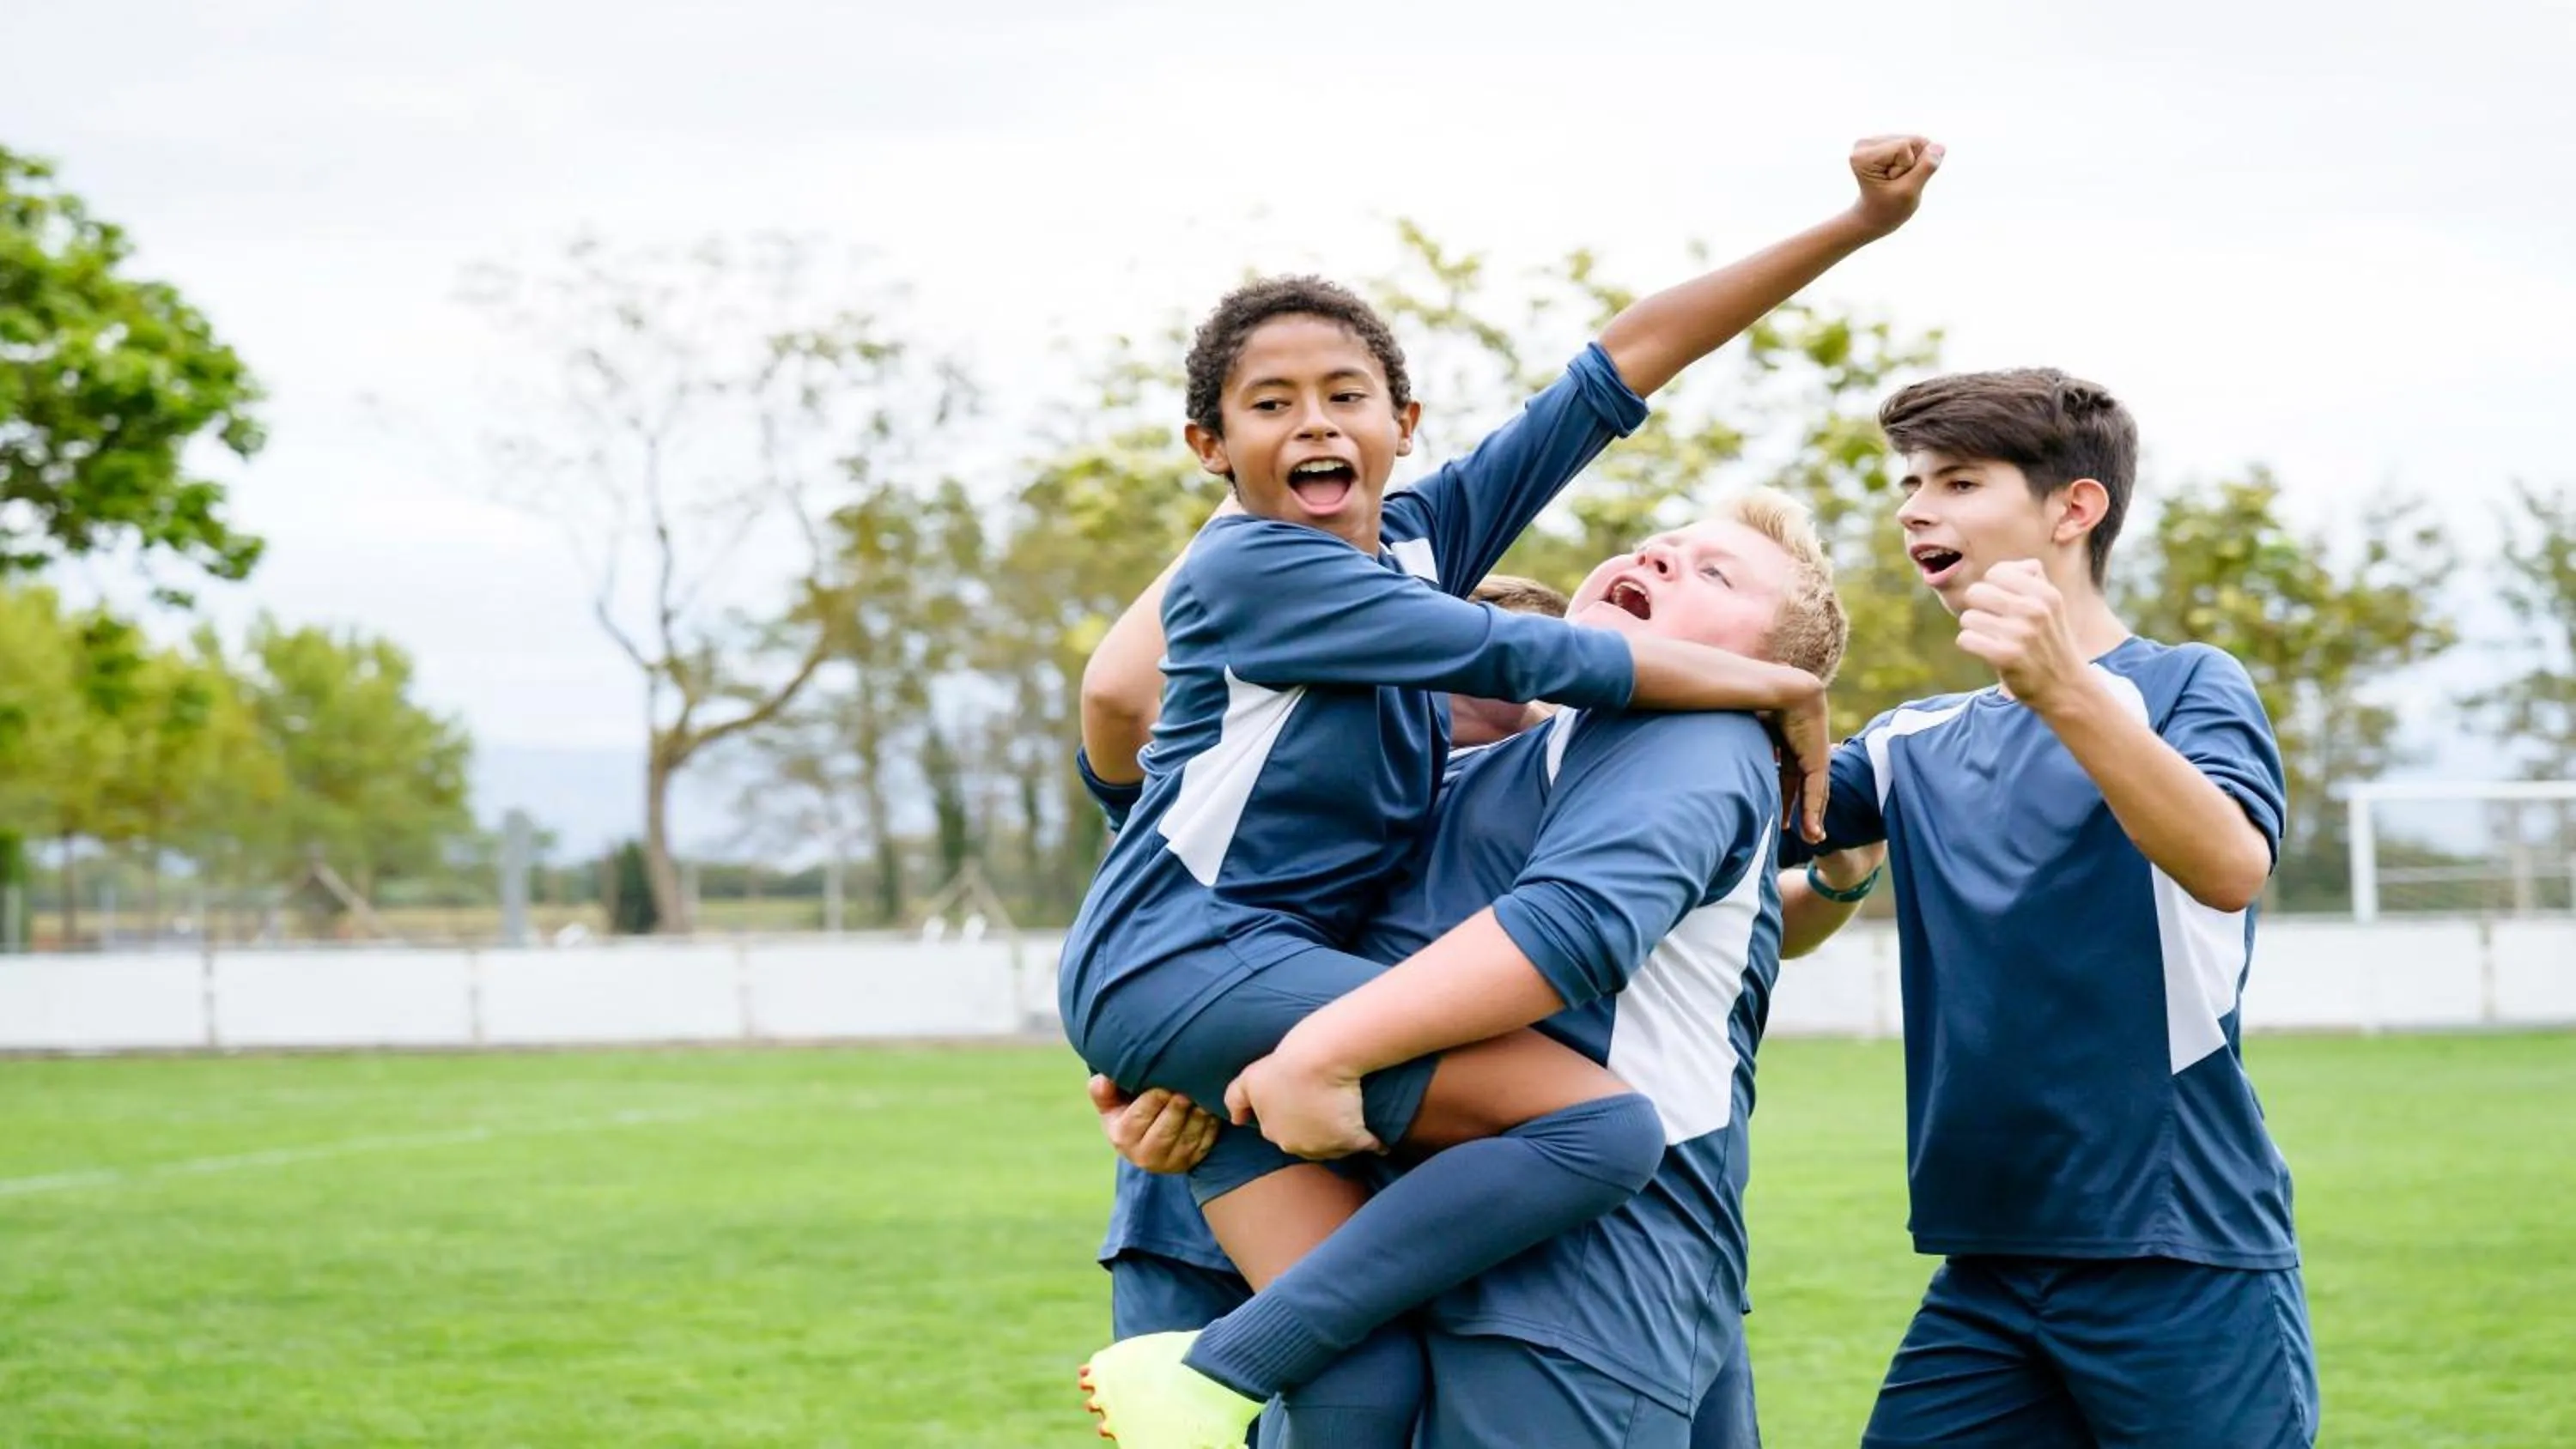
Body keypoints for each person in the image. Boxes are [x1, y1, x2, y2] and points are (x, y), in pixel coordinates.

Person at [1064, 136, 1941, 1449]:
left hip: (1223, 994)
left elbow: (1621, 366)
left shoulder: (1419, 541)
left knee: (1361, 1387)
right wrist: (1765, 685)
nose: (1314, 422)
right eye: (1270, 403)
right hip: (1192, 964)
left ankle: (1213, 1372)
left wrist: (1854, 228)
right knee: (1596, 1136)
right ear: (1209, 445)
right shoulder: (1258, 569)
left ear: (1401, 425)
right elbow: (1521, 652)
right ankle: (1199, 1373)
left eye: (1347, 393)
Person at [1088, 497, 1883, 1447]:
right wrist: (1190, 1069)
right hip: (1442, 1265)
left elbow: (1575, 926)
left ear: (1769, 667)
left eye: (1715, 574)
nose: (1662, 558)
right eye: (1653, 547)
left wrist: (1311, 1053)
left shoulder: (1698, 737)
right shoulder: (1477, 773)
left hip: (1591, 1284)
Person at [1792, 369, 2316, 1446]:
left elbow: (2230, 864)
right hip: (1985, 1263)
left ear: (2075, 508)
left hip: (2178, 1244)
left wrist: (2063, 690)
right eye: (1909, 483)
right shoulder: (1911, 739)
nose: (1914, 508)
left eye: (1958, 480)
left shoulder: (2185, 685)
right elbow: (1755, 817)